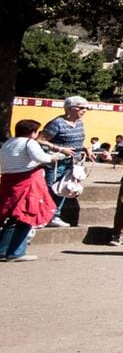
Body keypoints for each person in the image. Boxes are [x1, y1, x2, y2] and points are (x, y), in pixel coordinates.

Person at [1, 119, 65, 261]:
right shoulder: (29, 143)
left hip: (9, 182)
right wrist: (55, 156)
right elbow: (40, 157)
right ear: (33, 132)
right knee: (24, 216)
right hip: (27, 182)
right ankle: (15, 252)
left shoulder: (8, 143)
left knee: (12, 217)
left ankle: (4, 249)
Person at [39, 96, 89, 227]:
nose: (84, 111)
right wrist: (60, 148)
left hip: (73, 162)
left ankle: (55, 215)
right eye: (81, 107)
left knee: (64, 188)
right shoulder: (57, 123)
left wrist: (85, 148)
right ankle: (45, 216)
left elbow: (76, 141)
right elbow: (40, 140)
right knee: (52, 188)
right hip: (57, 162)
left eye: (86, 108)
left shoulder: (79, 123)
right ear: (70, 108)